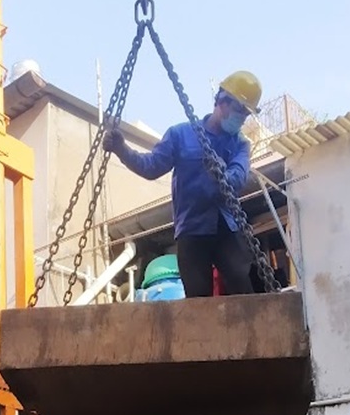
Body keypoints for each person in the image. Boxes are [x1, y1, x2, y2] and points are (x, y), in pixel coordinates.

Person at [103, 71, 262, 298]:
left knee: (241, 281)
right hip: (192, 229)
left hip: (227, 228)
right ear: (222, 101)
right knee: (197, 297)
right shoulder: (180, 135)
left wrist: (221, 175)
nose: (242, 119)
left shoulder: (240, 145)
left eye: (246, 114)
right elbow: (151, 167)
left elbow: (238, 176)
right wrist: (122, 150)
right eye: (240, 111)